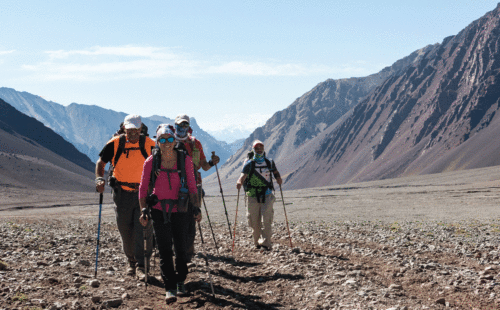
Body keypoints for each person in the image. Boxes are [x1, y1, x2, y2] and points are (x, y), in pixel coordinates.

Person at [138, 124, 201, 303]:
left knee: (181, 248)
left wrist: (196, 208)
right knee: (164, 250)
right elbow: (143, 188)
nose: (166, 143)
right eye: (162, 139)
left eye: (170, 139)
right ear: (157, 142)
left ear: (174, 140)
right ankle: (170, 287)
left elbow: (191, 185)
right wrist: (144, 210)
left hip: (181, 209)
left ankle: (181, 280)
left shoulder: (185, 160)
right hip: (159, 210)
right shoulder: (151, 161)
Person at [95, 114, 155, 281]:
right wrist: (99, 178)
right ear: (124, 129)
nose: (133, 134)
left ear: (141, 129)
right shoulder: (115, 144)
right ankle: (131, 262)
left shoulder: (150, 145)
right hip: (121, 193)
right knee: (125, 229)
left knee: (143, 228)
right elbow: (101, 162)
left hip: (143, 193)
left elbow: (159, 165)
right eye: (129, 131)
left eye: (136, 131)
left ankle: (142, 266)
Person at [173, 114, 219, 260]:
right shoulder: (168, 141)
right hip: (173, 186)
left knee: (192, 219)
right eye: (180, 125)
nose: (182, 128)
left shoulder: (196, 143)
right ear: (175, 126)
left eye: (185, 125)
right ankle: (175, 250)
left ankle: (188, 254)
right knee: (173, 217)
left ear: (189, 127)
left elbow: (204, 166)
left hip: (194, 185)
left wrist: (212, 163)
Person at [236, 140, 282, 251]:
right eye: (257, 148)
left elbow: (275, 172)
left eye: (261, 147)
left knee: (266, 220)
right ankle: (257, 242)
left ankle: (266, 244)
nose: (259, 149)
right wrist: (239, 182)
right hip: (252, 195)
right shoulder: (249, 163)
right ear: (253, 149)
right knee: (254, 221)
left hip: (267, 194)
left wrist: (279, 179)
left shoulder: (269, 162)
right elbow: (243, 175)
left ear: (264, 149)